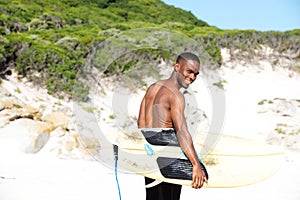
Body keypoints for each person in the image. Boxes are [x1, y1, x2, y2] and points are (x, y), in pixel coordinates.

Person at [137, 52, 208, 200]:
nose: (192, 77)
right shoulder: (176, 96)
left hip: (150, 159)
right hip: (169, 160)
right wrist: (196, 165)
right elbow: (181, 131)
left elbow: (141, 123)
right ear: (177, 67)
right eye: (189, 71)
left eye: (196, 74)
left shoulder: (153, 87)